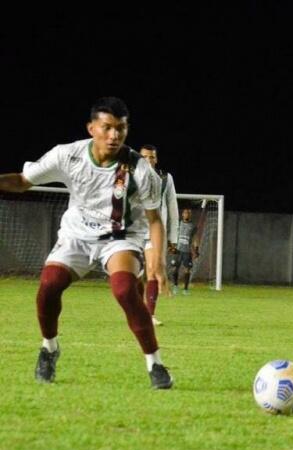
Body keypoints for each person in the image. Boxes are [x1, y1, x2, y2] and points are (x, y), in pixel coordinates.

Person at [0, 97, 174, 389]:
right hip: (77, 235)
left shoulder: (140, 169)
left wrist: (158, 261)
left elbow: (154, 219)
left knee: (123, 289)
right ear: (92, 128)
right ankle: (49, 348)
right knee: (49, 285)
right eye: (107, 128)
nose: (114, 135)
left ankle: (155, 364)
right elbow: (22, 180)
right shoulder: (67, 155)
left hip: (121, 237)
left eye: (120, 128)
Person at [140, 144, 179, 326]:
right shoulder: (130, 175)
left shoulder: (165, 178)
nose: (149, 160)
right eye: (145, 157)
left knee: (153, 271)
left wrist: (173, 238)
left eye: (152, 157)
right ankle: (137, 310)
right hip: (133, 231)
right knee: (131, 273)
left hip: (154, 233)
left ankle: (149, 315)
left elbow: (172, 208)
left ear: (156, 159)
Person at [171, 208, 198, 295]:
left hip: (187, 251)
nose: (187, 214)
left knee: (187, 270)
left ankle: (186, 289)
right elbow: (173, 235)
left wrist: (196, 249)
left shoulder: (193, 226)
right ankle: (175, 286)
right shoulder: (178, 224)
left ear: (190, 215)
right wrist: (172, 247)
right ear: (182, 214)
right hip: (178, 250)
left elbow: (195, 238)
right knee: (175, 269)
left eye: (189, 213)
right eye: (185, 213)